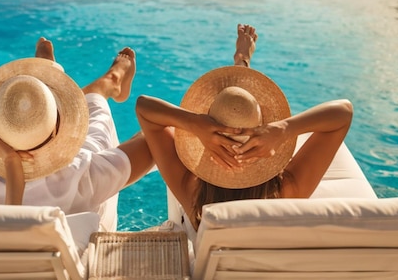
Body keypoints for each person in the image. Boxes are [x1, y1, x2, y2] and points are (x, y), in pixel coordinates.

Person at [135, 24, 353, 235]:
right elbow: (343, 113)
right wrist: (284, 128)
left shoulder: (194, 198)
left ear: (208, 139)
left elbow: (145, 108)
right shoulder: (288, 192)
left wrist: (194, 123)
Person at [0, 37, 153, 230]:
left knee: (90, 112)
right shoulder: (79, 175)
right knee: (95, 115)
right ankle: (111, 80)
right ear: (58, 131)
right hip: (80, 188)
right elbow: (153, 142)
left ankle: (46, 87)